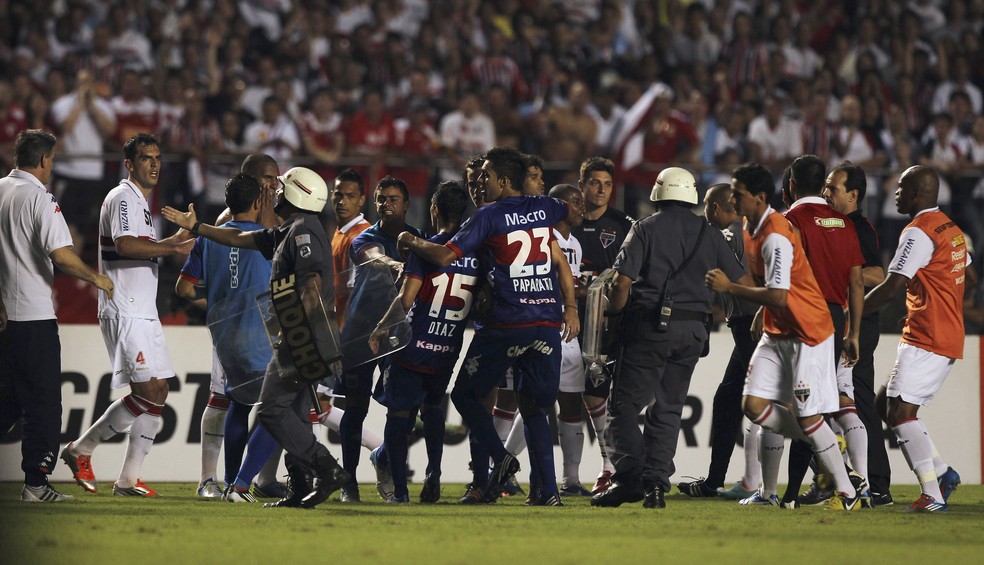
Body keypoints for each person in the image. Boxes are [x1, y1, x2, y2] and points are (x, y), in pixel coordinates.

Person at [398, 146, 580, 507]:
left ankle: (500, 462)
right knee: (534, 409)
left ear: (503, 181)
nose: (480, 184)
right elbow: (568, 214)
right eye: (474, 180)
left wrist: (410, 240)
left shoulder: (487, 217)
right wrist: (570, 305)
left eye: (485, 177)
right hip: (546, 321)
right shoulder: (544, 208)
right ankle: (548, 492)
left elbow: (446, 255)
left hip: (506, 322)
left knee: (466, 395)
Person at [163, 166, 350, 509]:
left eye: (282, 188)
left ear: (298, 194)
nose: (275, 193)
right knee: (292, 412)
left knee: (271, 411)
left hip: (302, 339)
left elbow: (311, 287)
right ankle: (300, 485)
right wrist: (198, 227)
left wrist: (294, 336)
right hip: (301, 337)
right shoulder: (289, 230)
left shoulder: (303, 230)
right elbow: (237, 238)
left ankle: (327, 468)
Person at [705, 162, 860, 510]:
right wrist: (761, 307)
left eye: (738, 193)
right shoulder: (749, 225)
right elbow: (770, 287)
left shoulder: (776, 234)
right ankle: (818, 447)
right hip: (778, 330)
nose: (732, 198)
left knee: (805, 415)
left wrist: (730, 288)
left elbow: (779, 294)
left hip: (809, 332)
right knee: (753, 405)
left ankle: (846, 491)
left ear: (759, 197)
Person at [590, 167, 746, 510]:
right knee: (669, 409)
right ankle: (657, 485)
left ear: (658, 192)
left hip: (648, 327)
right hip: (693, 332)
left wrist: (614, 320)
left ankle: (631, 477)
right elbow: (741, 283)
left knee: (623, 407)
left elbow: (621, 284)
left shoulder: (644, 228)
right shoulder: (711, 234)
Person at [61, 133, 195, 497]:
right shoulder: (122, 197)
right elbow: (124, 245)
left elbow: (145, 248)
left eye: (157, 158)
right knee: (148, 389)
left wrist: (178, 236)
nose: (154, 164)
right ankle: (81, 449)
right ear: (129, 164)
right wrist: (173, 246)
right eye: (146, 158)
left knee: (160, 389)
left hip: (144, 310)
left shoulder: (142, 205)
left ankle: (127, 479)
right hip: (125, 309)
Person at [0, 129, 113, 502]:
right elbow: (61, 254)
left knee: (9, 401)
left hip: (4, 318)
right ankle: (35, 484)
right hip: (32, 317)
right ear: (45, 160)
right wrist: (96, 277)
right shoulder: (39, 199)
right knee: (43, 403)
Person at [863, 165, 974, 512]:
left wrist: (853, 314)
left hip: (928, 335)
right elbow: (968, 274)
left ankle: (932, 495)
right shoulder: (950, 228)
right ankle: (943, 474)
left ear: (916, 193)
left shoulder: (918, 232)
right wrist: (932, 300)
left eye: (900, 187)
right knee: (885, 405)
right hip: (943, 331)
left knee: (899, 411)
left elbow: (892, 286)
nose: (895, 193)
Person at [368, 181, 477, 504]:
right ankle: (434, 474)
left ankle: (400, 491)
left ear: (434, 210)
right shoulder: (474, 254)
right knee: (433, 412)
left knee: (399, 417)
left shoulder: (424, 249)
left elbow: (406, 300)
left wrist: (379, 328)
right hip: (447, 350)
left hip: (414, 348)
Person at [174, 173, 278, 501]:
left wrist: (221, 304)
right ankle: (245, 481)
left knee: (236, 404)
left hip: (224, 337)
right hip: (260, 334)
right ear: (259, 202)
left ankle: (230, 482)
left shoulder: (208, 239)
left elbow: (185, 288)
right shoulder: (267, 238)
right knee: (284, 407)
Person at [779, 155, 866, 508]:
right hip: (834, 318)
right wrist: (854, 332)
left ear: (792, 186)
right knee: (811, 406)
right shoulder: (846, 224)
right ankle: (799, 491)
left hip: (802, 316)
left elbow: (785, 273)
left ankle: (841, 481)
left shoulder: (791, 220)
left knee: (800, 409)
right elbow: (856, 282)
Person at [336, 175, 426, 502]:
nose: (385, 204)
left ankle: (384, 456)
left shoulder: (419, 239)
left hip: (399, 336)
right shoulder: (364, 237)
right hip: (362, 333)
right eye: (380, 199)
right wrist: (396, 264)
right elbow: (373, 257)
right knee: (355, 409)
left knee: (402, 412)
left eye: (392, 199)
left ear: (406, 205)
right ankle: (349, 484)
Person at [677, 183, 758, 499]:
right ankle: (714, 481)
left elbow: (742, 280)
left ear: (715, 207)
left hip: (751, 325)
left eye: (708, 204)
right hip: (747, 326)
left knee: (771, 404)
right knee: (727, 399)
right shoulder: (748, 230)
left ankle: (832, 470)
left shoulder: (723, 235)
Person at [822, 161, 894, 506]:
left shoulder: (858, 227)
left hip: (860, 326)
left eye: (833, 188)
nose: (826, 192)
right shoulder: (835, 224)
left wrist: (845, 273)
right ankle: (850, 479)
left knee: (859, 402)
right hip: (845, 324)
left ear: (853, 195)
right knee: (841, 402)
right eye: (825, 186)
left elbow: (879, 274)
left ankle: (876, 484)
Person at [571, 156, 633, 495]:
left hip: (606, 322)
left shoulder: (623, 225)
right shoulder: (567, 223)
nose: (602, 190)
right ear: (581, 185)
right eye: (595, 183)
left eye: (608, 184)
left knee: (596, 392)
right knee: (558, 392)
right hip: (568, 317)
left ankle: (611, 465)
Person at [331, 168, 370, 330]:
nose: (342, 201)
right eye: (339, 195)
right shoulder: (343, 229)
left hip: (346, 328)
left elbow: (354, 291)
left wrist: (343, 336)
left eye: (350, 196)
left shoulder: (359, 238)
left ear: (361, 200)